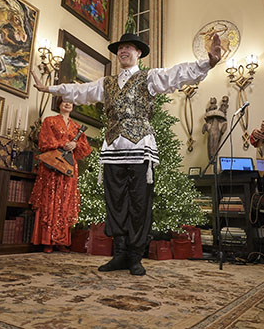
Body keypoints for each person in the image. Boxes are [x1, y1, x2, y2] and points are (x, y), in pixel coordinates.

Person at [31, 32, 221, 274]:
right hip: (112, 151)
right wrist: (48, 88)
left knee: (140, 204)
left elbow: (176, 74)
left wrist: (208, 63)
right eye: (121, 48)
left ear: (138, 53)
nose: (124, 51)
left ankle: (135, 257)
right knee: (115, 203)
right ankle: (120, 254)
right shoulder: (106, 83)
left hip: (140, 149)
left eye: (129, 47)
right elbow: (81, 91)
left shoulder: (149, 78)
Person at [29, 97, 91, 253]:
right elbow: (44, 142)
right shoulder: (49, 121)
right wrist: (62, 144)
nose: (68, 103)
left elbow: (85, 148)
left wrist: (75, 144)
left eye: (71, 101)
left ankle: (61, 241)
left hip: (69, 168)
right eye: (64, 101)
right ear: (59, 104)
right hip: (52, 166)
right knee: (50, 200)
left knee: (65, 202)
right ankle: (47, 241)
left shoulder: (77, 126)